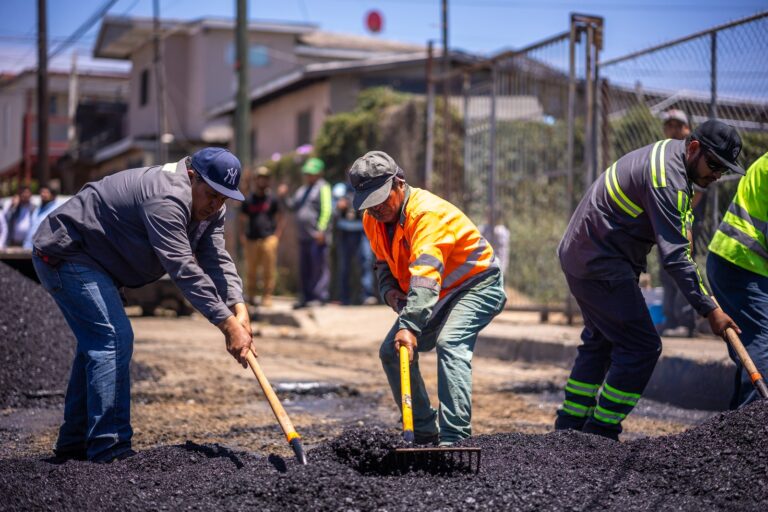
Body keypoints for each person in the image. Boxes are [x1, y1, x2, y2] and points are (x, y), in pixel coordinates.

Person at [32, 147, 254, 463]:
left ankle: (74, 443)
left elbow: (215, 257)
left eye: (223, 198)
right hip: (67, 252)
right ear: (192, 176)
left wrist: (238, 306)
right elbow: (182, 267)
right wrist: (227, 324)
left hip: (98, 264)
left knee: (97, 345)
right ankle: (110, 449)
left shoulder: (209, 207)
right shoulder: (166, 198)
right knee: (113, 339)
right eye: (212, 195)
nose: (216, 205)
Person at [555, 120, 742, 441]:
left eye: (723, 170)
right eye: (714, 165)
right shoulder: (667, 179)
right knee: (641, 346)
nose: (717, 175)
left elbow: (679, 236)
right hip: (599, 262)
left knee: (601, 340)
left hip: (589, 255)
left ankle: (569, 428)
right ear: (694, 148)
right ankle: (600, 432)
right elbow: (676, 257)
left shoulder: (672, 160)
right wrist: (710, 310)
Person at [349, 151, 506, 446]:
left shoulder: (426, 214)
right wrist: (389, 291)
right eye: (369, 202)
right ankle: (423, 433)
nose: (377, 208)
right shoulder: (372, 220)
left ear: (399, 183)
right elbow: (383, 263)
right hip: (438, 292)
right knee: (392, 352)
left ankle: (455, 438)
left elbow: (426, 275)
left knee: (450, 342)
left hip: (476, 284)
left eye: (381, 198)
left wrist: (409, 325)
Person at [707, 151, 768, 409]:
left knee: (754, 344)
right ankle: (757, 420)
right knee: (763, 342)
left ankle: (739, 421)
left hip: (736, 260)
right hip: (742, 264)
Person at [656, 109, 697, 336]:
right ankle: (670, 319)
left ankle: (685, 321)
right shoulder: (663, 153)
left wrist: (682, 215)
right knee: (666, 270)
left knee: (683, 268)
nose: (673, 130)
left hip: (684, 221)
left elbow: (697, 191)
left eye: (678, 126)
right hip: (666, 221)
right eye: (669, 126)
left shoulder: (691, 154)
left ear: (687, 129)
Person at [277, 157, 332, 308]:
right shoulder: (302, 190)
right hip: (303, 236)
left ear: (319, 173)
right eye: (307, 173)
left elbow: (327, 210)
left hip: (317, 236)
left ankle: (319, 297)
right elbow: (292, 207)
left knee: (318, 268)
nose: (309, 176)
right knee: (305, 269)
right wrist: (283, 197)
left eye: (312, 173)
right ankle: (306, 297)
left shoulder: (323, 187)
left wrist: (322, 230)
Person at [239, 166, 284, 307]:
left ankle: (267, 296)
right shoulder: (249, 199)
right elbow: (242, 219)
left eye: (265, 178)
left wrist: (277, 236)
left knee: (268, 270)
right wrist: (242, 235)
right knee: (251, 270)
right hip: (251, 239)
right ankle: (251, 296)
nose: (262, 181)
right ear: (256, 180)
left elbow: (280, 217)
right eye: (260, 178)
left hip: (268, 239)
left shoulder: (272, 199)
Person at [332, 182, 376, 305]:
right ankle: (344, 297)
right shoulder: (340, 188)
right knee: (344, 265)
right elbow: (332, 207)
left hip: (361, 232)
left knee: (366, 261)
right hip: (344, 233)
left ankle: (367, 295)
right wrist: (338, 206)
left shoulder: (366, 186)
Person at [23, 184, 61, 249]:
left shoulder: (56, 209)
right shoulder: (38, 209)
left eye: (46, 192)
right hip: (29, 247)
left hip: (43, 250)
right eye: (41, 192)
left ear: (53, 195)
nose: (42, 194)